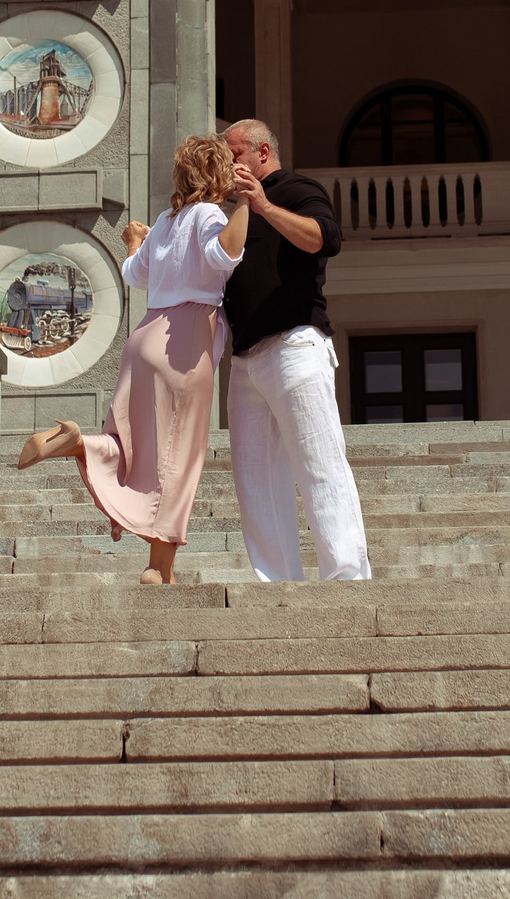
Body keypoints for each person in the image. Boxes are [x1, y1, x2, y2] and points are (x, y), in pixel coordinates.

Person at [19, 135, 248, 587]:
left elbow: (134, 274)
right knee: (178, 455)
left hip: (145, 335)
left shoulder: (166, 219)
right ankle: (157, 567)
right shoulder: (209, 215)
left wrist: (135, 240)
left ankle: (80, 443)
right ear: (219, 174)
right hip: (184, 338)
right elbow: (225, 253)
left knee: (135, 440)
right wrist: (246, 204)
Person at [220, 118, 372, 582]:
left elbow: (325, 238)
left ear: (262, 153)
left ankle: (346, 576)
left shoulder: (296, 189)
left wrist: (264, 205)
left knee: (319, 462)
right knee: (255, 482)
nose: (229, 168)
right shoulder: (233, 213)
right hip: (245, 360)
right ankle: (277, 583)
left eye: (235, 157)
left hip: (295, 344)